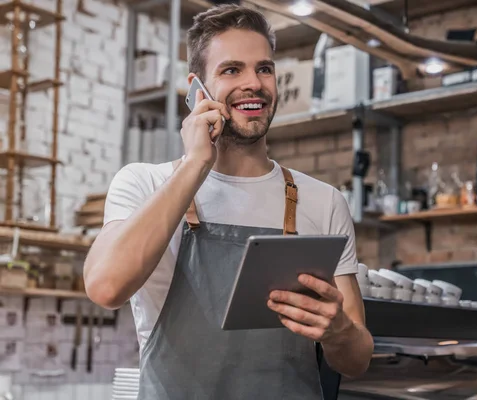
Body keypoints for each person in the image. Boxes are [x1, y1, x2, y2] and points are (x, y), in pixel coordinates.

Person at [83, 3, 374, 399]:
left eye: (264, 68)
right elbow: (105, 287)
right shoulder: (144, 182)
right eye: (231, 69)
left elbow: (356, 361)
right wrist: (196, 164)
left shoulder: (324, 202)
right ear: (196, 88)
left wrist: (339, 330)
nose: (253, 83)